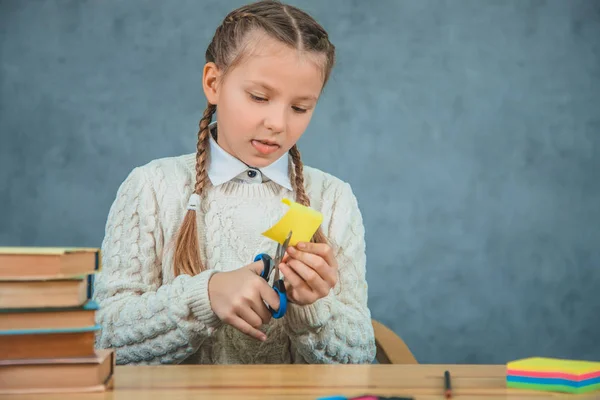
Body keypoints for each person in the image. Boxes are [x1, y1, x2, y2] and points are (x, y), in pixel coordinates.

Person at [93, 0, 376, 365]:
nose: (277, 122)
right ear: (213, 82)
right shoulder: (150, 188)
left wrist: (313, 308)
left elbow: (360, 361)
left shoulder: (333, 199)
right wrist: (204, 296)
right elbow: (105, 343)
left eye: (300, 107)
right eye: (259, 97)